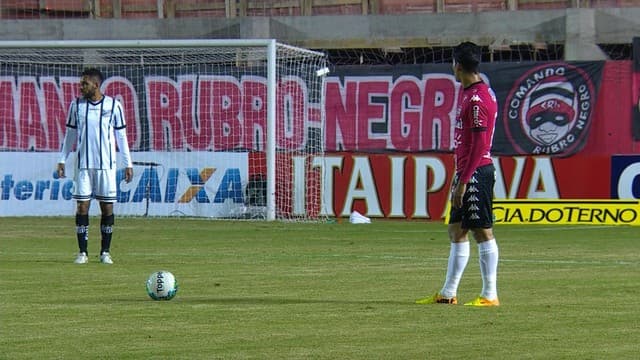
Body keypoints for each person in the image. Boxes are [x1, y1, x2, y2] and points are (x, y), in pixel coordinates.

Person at [416, 42, 500, 306]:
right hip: (466, 170)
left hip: (475, 171)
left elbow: (479, 144)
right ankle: (448, 293)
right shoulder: (474, 92)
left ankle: (489, 295)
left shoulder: (476, 99)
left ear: (458, 65)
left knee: (482, 231)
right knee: (456, 230)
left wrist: (463, 181)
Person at [57, 68, 133, 264]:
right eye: (81, 83)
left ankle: (105, 252)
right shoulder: (76, 106)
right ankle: (83, 253)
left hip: (106, 166)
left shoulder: (114, 105)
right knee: (82, 207)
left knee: (107, 208)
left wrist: (128, 163)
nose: (80, 86)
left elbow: (121, 137)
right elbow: (70, 136)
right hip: (83, 166)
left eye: (84, 83)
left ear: (96, 85)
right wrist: (62, 159)